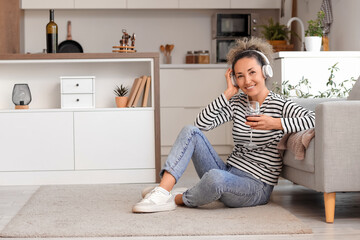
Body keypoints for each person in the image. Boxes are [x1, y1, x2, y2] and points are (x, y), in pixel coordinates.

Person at [132, 37, 315, 213]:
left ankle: (176, 198)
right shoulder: (237, 103)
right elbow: (201, 124)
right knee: (191, 131)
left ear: (265, 72)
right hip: (228, 170)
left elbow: (315, 119)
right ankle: (162, 192)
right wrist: (227, 94)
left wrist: (275, 123)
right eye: (240, 76)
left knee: (215, 179)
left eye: (252, 72)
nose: (247, 81)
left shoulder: (281, 105)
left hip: (256, 185)